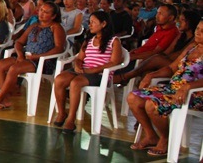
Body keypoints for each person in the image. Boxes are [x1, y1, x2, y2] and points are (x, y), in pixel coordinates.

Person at [128, 21, 203, 157]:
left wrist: (188, 86)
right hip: (173, 89)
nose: (198, 32)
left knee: (152, 105)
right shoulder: (192, 47)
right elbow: (171, 68)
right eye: (198, 28)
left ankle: (165, 139)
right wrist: (151, 75)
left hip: (194, 95)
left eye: (202, 31)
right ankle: (151, 136)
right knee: (133, 98)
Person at [0, 2, 66, 110]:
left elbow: (59, 48)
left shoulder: (56, 27)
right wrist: (20, 54)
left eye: (46, 12)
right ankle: (6, 99)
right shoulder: (34, 25)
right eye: (41, 10)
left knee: (13, 69)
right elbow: (19, 42)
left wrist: (38, 56)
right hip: (26, 58)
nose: (42, 13)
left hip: (43, 61)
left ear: (54, 16)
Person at [52, 10, 122, 133]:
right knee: (59, 79)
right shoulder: (89, 39)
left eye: (93, 22)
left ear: (104, 24)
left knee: (75, 83)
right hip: (84, 70)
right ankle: (62, 113)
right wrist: (78, 65)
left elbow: (114, 62)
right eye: (89, 22)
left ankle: (71, 119)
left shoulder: (114, 41)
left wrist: (94, 70)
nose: (90, 25)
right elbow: (79, 58)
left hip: (100, 74)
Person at [116, 9, 199, 86]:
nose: (178, 22)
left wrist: (160, 58)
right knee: (147, 71)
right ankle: (142, 96)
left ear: (191, 22)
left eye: (182, 20)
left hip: (179, 66)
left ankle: (125, 77)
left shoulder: (195, 40)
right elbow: (168, 51)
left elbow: (180, 55)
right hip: (169, 62)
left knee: (156, 58)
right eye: (179, 20)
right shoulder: (181, 35)